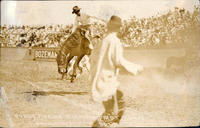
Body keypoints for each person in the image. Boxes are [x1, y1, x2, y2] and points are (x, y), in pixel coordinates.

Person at [90, 15, 144, 127]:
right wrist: (136, 68)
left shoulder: (104, 40)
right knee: (112, 112)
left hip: (104, 78)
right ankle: (97, 126)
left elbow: (93, 58)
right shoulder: (114, 41)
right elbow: (118, 62)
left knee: (120, 102)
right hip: (106, 80)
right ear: (119, 28)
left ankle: (110, 125)